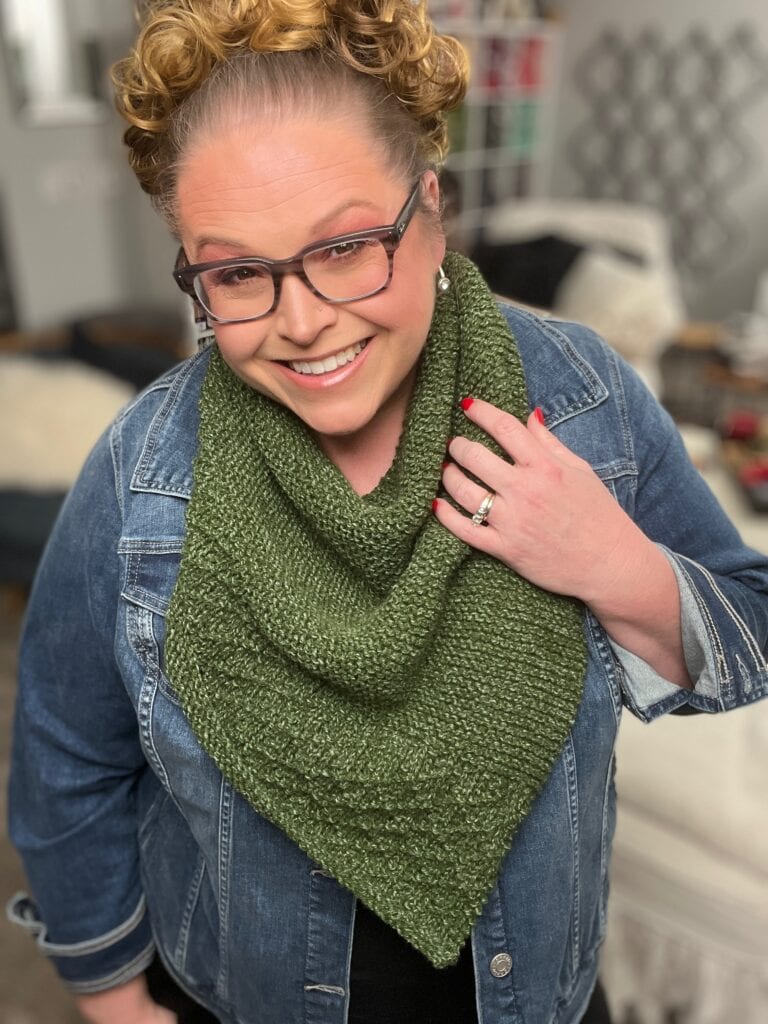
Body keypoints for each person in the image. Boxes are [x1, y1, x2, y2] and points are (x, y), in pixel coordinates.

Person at [7, 2, 768, 1023]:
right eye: (237, 273)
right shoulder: (143, 471)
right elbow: (65, 751)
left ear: (431, 206)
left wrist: (609, 562)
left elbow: (749, 623)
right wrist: (110, 996)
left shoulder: (584, 402)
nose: (304, 319)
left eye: (347, 245)